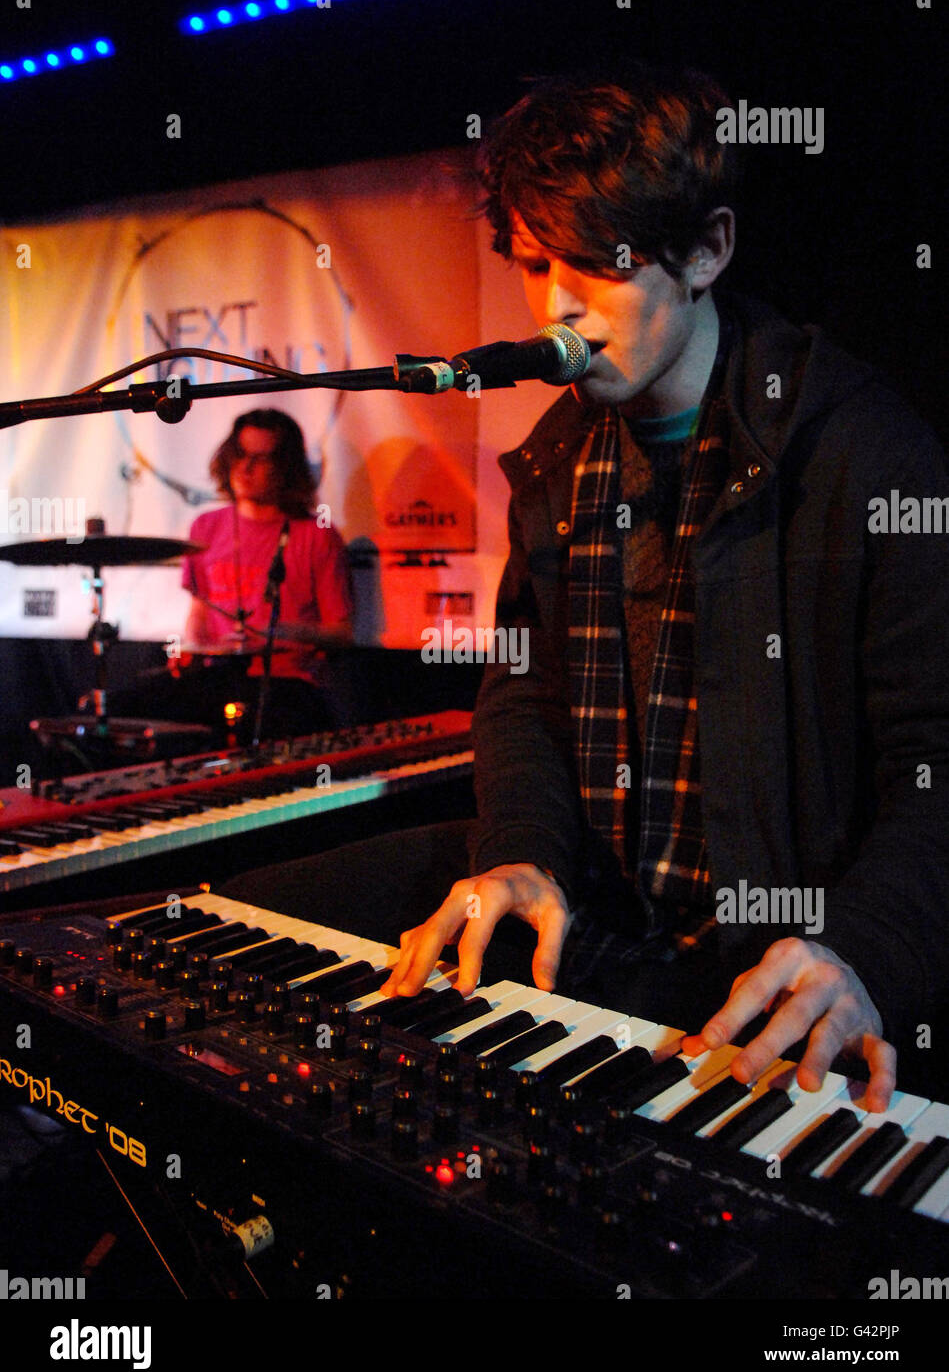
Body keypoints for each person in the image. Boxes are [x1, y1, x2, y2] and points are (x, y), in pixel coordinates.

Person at [375, 66, 949, 1110]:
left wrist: (863, 950)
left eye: (600, 266)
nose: (556, 309)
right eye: (535, 263)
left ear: (707, 250)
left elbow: (936, 754)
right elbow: (524, 700)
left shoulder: (863, 448)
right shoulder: (555, 464)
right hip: (606, 965)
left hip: (777, 989)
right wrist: (519, 853)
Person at [181, 408, 353, 733]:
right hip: (219, 679)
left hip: (286, 684)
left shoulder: (317, 534)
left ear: (285, 469)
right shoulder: (204, 527)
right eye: (240, 455)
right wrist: (191, 651)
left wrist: (277, 632)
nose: (244, 468)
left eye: (261, 459)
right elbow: (199, 614)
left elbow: (342, 634)